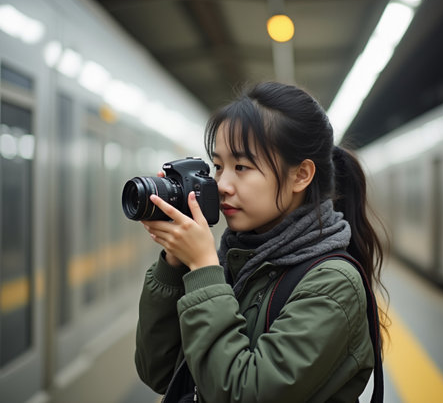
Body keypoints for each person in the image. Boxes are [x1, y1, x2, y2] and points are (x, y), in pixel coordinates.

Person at [135, 81, 386, 402]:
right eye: (218, 166)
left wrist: (202, 268)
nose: (222, 184)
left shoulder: (333, 284)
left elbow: (243, 393)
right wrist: (174, 264)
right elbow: (159, 371)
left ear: (301, 175)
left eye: (242, 167)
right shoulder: (238, 259)